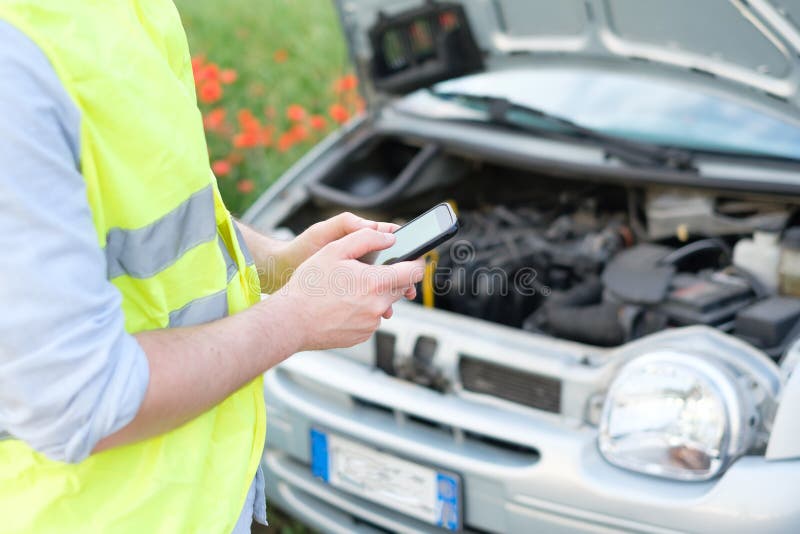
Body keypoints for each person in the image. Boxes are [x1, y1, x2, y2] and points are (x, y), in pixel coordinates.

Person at [0, 1, 423, 532]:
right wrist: (296, 319)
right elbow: (79, 398)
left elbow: (160, 215)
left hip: (198, 507)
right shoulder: (14, 64)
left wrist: (278, 263)